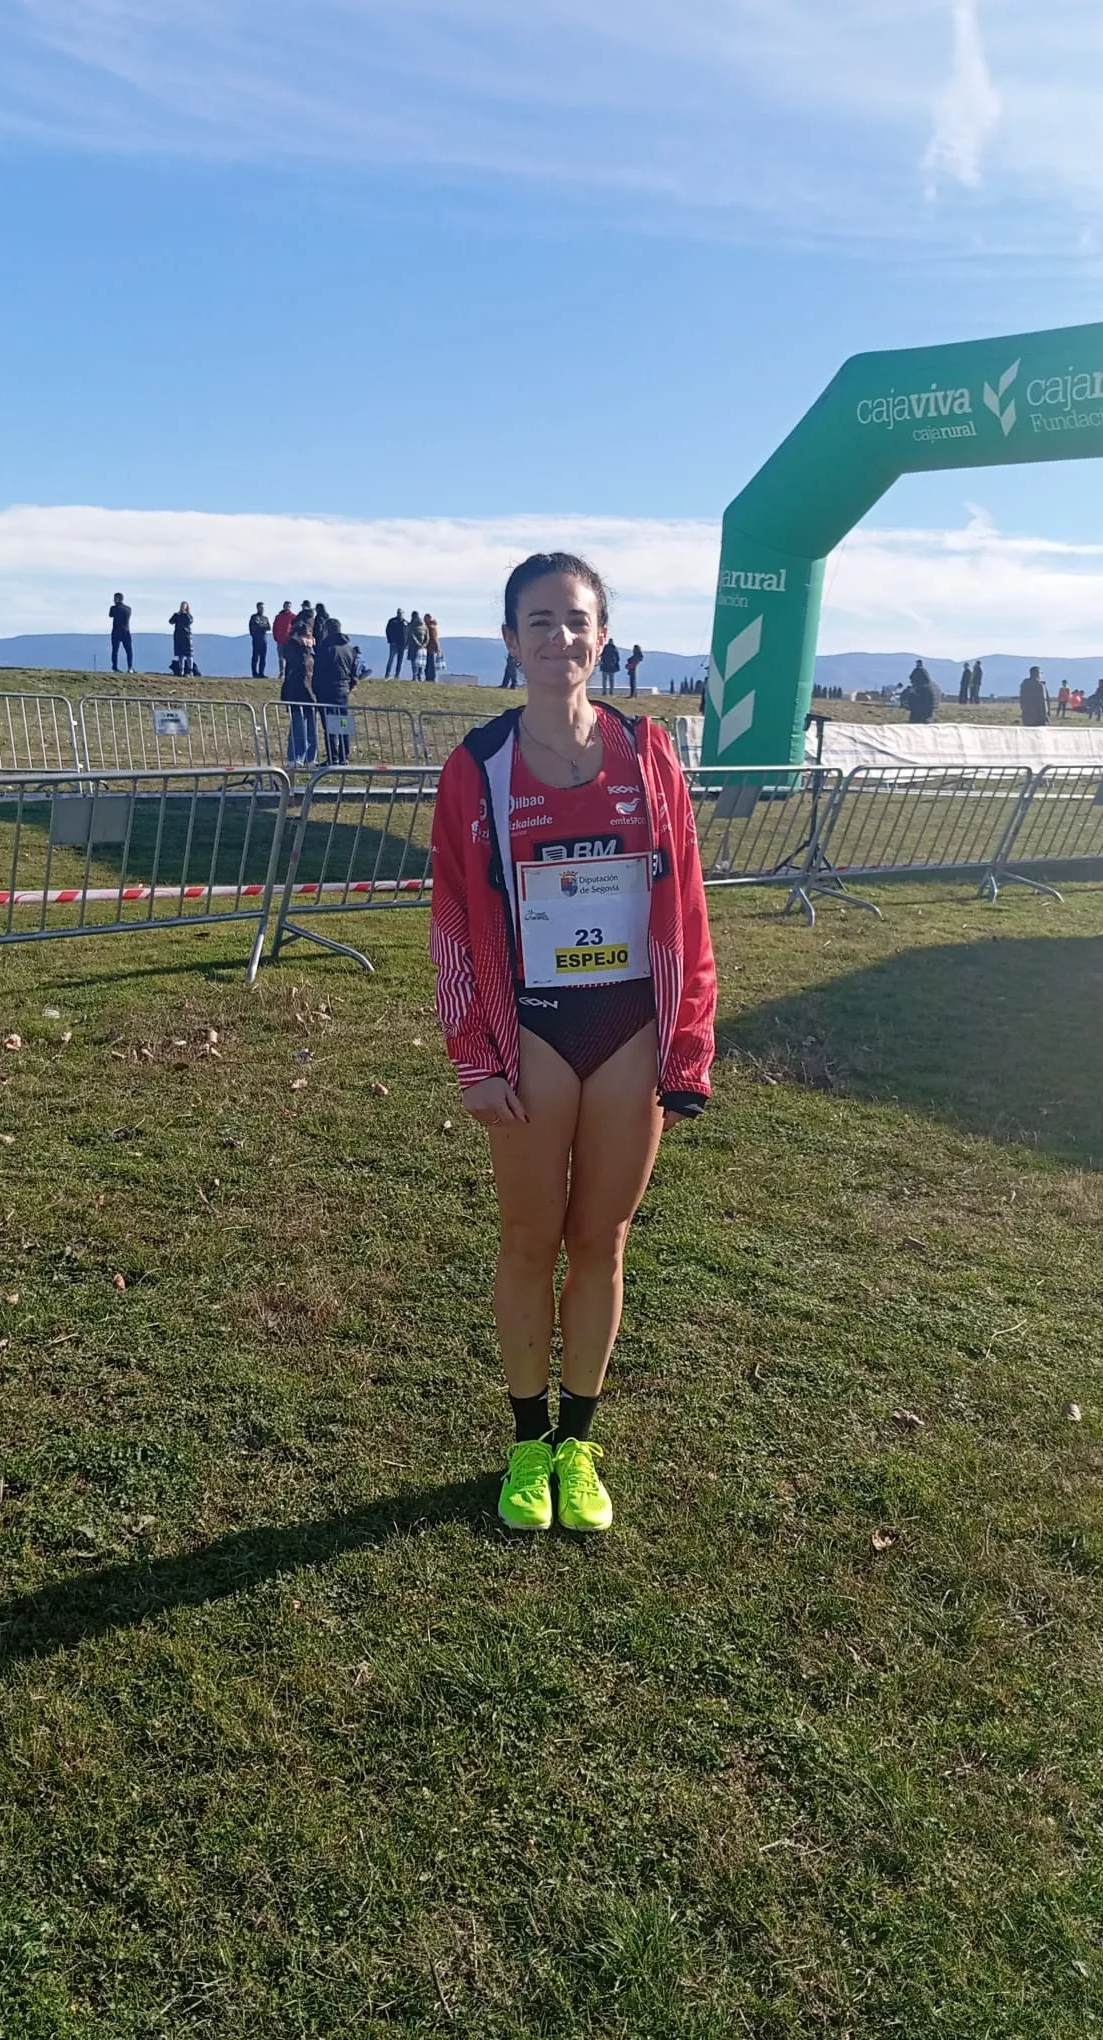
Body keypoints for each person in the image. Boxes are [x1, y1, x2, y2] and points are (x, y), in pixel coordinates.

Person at [429, 551, 716, 1536]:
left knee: (602, 1240)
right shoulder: (477, 768)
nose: (559, 639)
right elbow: (456, 920)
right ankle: (524, 1440)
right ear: (511, 640)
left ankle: (577, 1445)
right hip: (534, 1032)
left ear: (604, 638)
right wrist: (476, 1055)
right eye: (539, 622)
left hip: (628, 1027)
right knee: (528, 1238)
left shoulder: (649, 756)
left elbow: (688, 909)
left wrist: (688, 1047)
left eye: (576, 620)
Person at [313, 615, 359, 764]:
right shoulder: (349, 649)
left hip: (327, 691)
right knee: (343, 723)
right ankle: (344, 756)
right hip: (344, 691)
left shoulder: (326, 648)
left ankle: (332, 756)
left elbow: (318, 671)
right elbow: (354, 673)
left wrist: (316, 690)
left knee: (330, 724)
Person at [280, 621, 316, 770]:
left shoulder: (313, 650)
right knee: (298, 726)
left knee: (311, 727)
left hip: (311, 694)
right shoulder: (291, 647)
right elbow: (300, 664)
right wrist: (304, 648)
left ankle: (310, 758)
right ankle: (295, 757)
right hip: (296, 692)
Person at [900, 658, 939, 723]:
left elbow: (912, 705)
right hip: (930, 716)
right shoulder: (934, 687)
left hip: (919, 717)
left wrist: (906, 702)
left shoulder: (921, 689)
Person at [169, 602, 197, 678]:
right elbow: (171, 621)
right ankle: (181, 671)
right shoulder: (177, 615)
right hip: (178, 637)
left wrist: (185, 613)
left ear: (187, 607)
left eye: (184, 606)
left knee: (189, 655)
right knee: (180, 655)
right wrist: (177, 615)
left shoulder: (189, 616)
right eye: (181, 606)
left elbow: (190, 621)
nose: (182, 607)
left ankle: (190, 671)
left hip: (187, 637)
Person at [109, 593, 133, 673]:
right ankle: (130, 667)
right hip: (126, 631)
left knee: (115, 650)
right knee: (129, 650)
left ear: (118, 599)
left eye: (115, 598)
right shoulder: (128, 609)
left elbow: (110, 615)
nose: (113, 600)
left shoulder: (114, 608)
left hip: (116, 631)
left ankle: (115, 667)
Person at [249, 602, 270, 680]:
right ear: (257, 608)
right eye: (260, 607)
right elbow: (252, 627)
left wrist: (260, 626)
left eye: (263, 608)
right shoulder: (254, 617)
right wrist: (261, 627)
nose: (262, 609)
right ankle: (254, 673)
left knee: (263, 657)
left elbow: (268, 627)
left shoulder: (265, 618)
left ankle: (261, 673)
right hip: (256, 640)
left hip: (264, 640)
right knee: (255, 657)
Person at [385, 608, 407, 678]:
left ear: (403, 614)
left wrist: (407, 644)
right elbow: (387, 631)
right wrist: (390, 640)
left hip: (403, 645)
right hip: (394, 644)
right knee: (391, 659)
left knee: (400, 661)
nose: (399, 614)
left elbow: (409, 634)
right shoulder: (392, 621)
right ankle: (387, 674)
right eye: (398, 613)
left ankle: (397, 675)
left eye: (401, 613)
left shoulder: (406, 623)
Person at [273, 601, 296, 669]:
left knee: (289, 657)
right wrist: (275, 636)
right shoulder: (278, 616)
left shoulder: (293, 616)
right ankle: (281, 672)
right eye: (286, 606)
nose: (287, 607)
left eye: (289, 606)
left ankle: (289, 672)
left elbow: (296, 627)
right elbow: (275, 627)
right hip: (280, 639)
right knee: (281, 657)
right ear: (284, 606)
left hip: (289, 640)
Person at [407, 611, 429, 680]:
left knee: (414, 661)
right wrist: (424, 644)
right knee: (421, 662)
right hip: (422, 647)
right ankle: (420, 676)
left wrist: (418, 644)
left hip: (413, 646)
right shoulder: (424, 625)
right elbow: (427, 636)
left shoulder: (412, 625)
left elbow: (412, 635)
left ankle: (415, 676)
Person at [424, 613, 442, 683]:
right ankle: (429, 678)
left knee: (430, 664)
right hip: (428, 647)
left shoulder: (431, 627)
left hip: (430, 647)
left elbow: (434, 639)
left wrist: (437, 648)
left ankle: (431, 678)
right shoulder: (431, 627)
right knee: (428, 664)